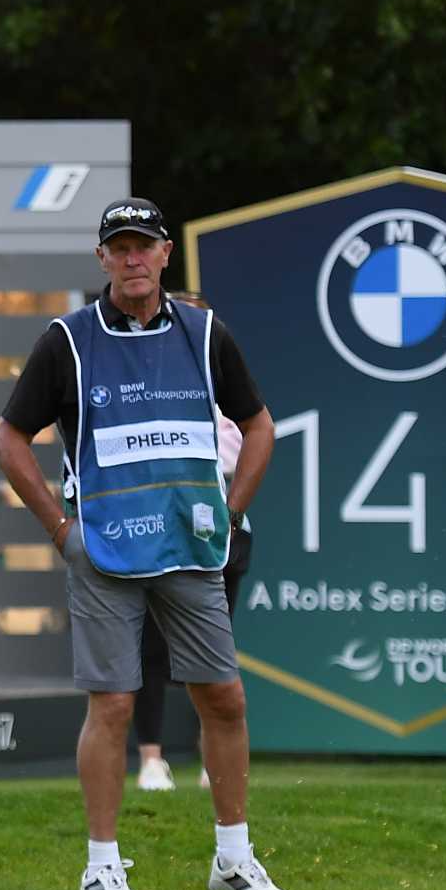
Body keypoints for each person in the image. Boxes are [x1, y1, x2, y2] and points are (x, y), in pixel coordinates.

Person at [0, 198, 290, 890]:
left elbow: (259, 426)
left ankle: (234, 858)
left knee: (225, 697)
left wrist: (231, 513)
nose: (131, 258)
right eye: (118, 247)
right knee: (115, 704)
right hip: (105, 552)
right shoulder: (66, 340)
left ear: (163, 256)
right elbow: (9, 439)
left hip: (191, 549)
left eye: (143, 246)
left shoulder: (204, 331)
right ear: (102, 258)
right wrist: (63, 532)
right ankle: (101, 867)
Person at [133, 289, 253, 793]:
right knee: (152, 650)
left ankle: (212, 760)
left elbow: (238, 450)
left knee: (213, 653)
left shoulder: (228, 395)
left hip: (221, 538)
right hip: (154, 537)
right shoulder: (139, 391)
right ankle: (152, 761)